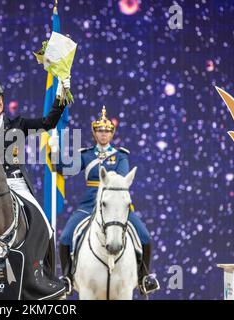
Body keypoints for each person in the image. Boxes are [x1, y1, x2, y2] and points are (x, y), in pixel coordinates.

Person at [56, 106, 160, 295]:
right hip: (89, 203)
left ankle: (144, 278)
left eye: (107, 131)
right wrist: (54, 151)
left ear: (112, 134)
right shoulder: (86, 154)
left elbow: (120, 179)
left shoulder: (121, 156)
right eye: (99, 131)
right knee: (65, 237)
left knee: (144, 236)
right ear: (94, 133)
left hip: (115, 204)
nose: (103, 134)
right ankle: (67, 279)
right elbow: (65, 169)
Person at [0, 79, 70, 240]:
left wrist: (61, 98)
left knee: (45, 226)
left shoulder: (19, 124)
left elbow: (49, 122)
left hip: (16, 183)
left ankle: (46, 264)